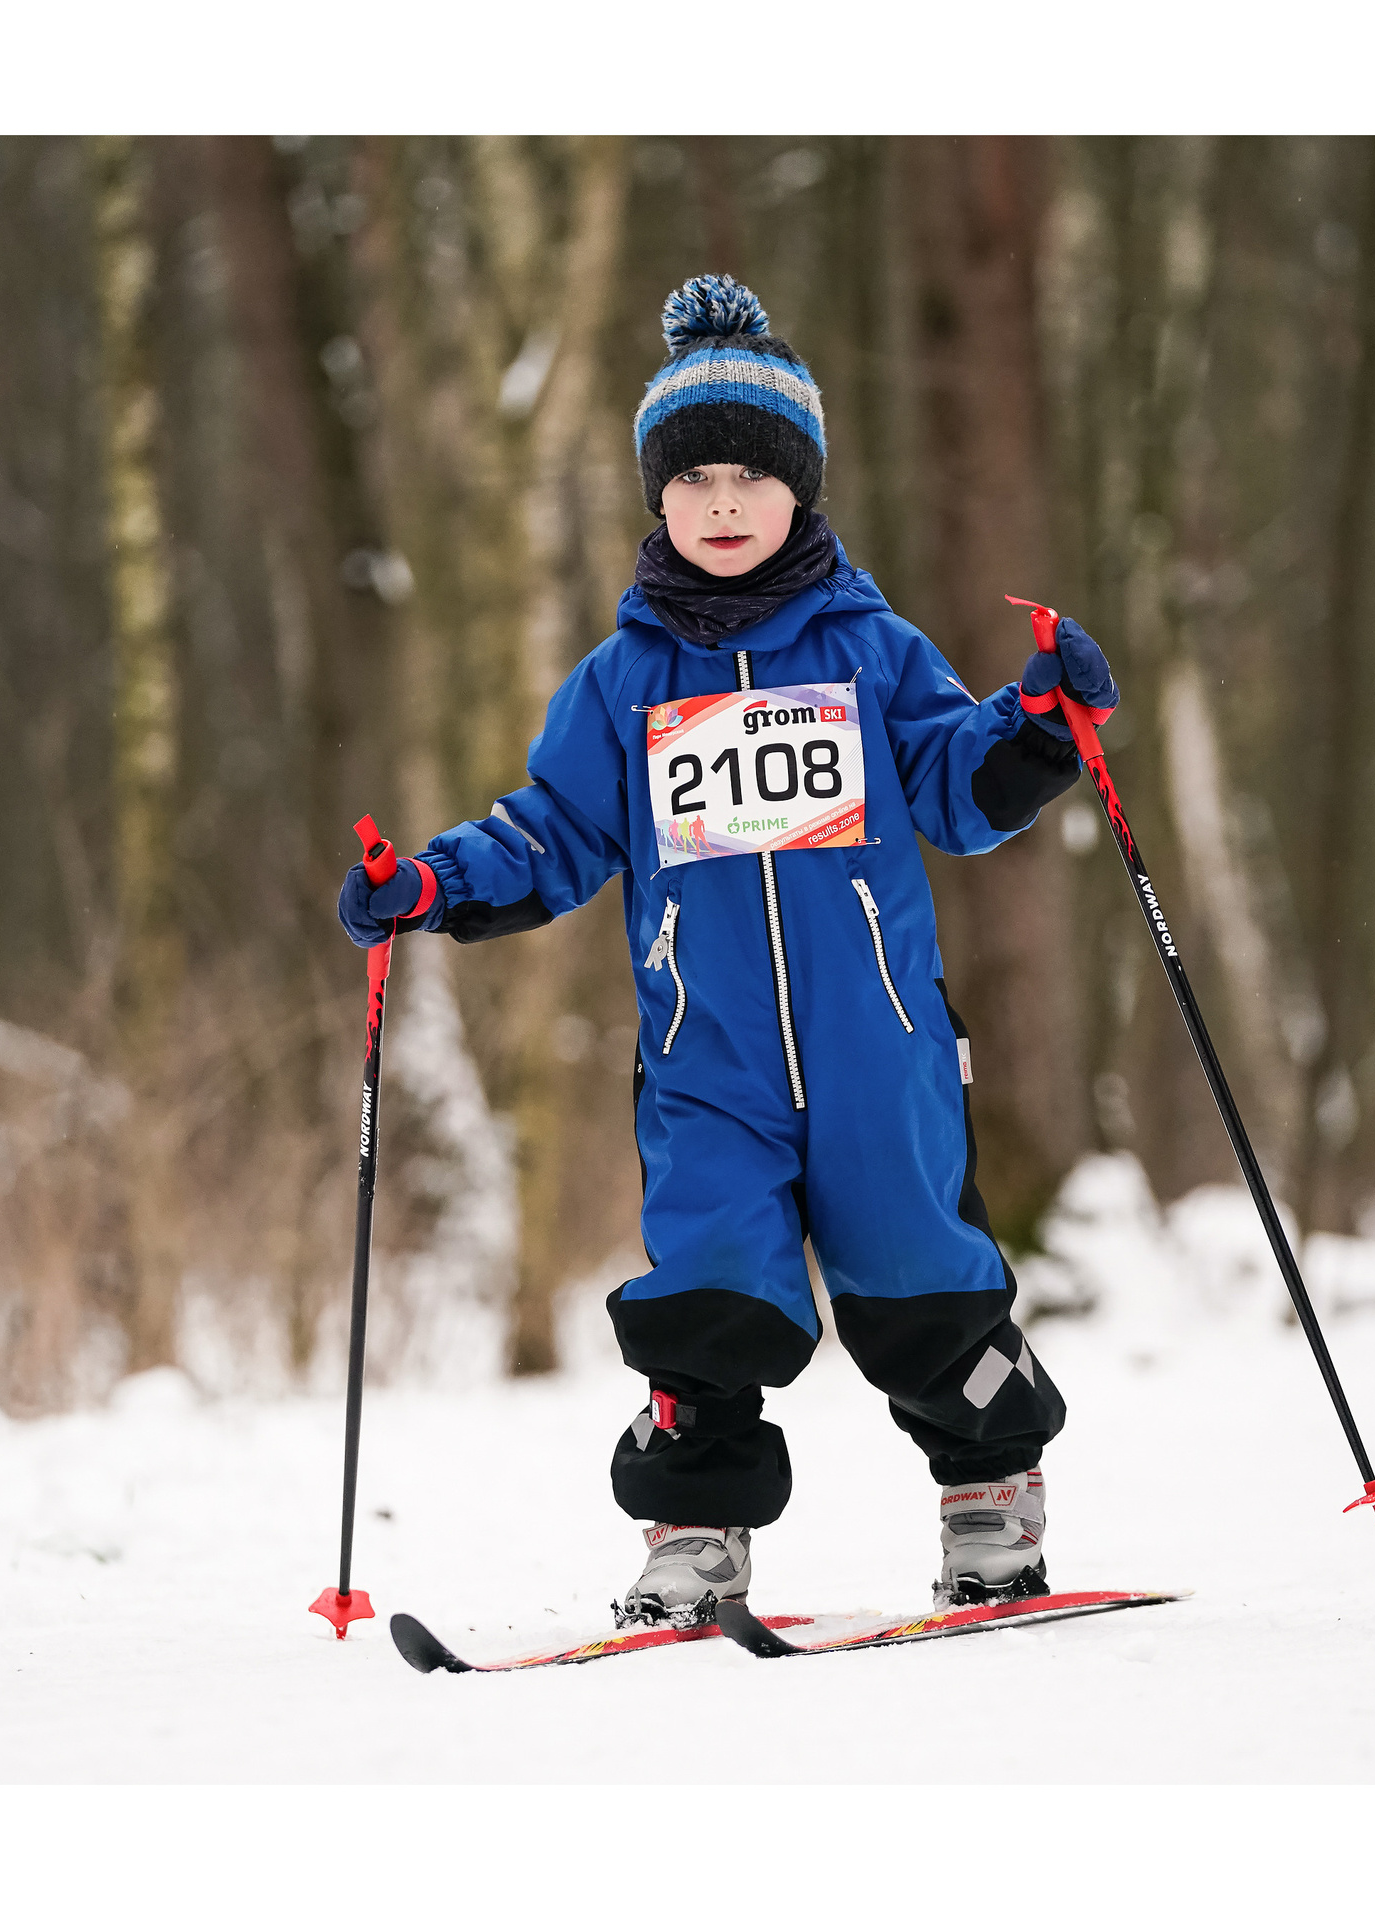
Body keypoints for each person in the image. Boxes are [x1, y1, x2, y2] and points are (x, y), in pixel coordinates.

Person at [338, 274, 1121, 1626]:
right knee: (708, 1299)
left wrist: (1041, 721)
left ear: (798, 492)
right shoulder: (621, 682)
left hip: (881, 1047)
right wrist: (429, 887)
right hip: (709, 1058)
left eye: (748, 479)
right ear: (657, 496)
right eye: (690, 477)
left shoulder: (872, 652)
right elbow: (553, 835)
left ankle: (992, 1506)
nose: (718, 505)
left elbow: (952, 783)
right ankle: (695, 1538)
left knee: (922, 1285)